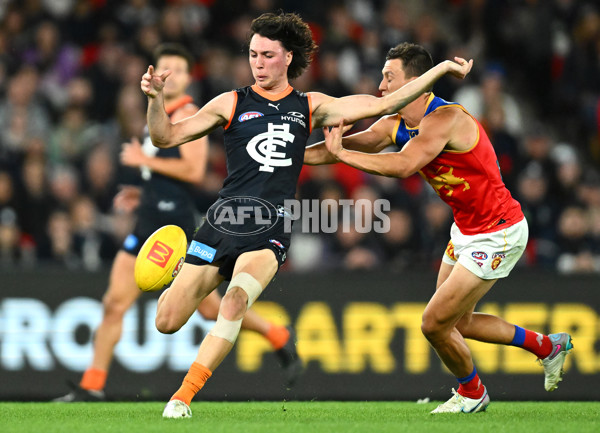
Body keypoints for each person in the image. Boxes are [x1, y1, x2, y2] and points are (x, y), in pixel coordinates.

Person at [141, 12, 472, 418]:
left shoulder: (310, 106)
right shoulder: (230, 102)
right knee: (166, 321)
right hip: (221, 222)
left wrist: (439, 68)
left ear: (288, 58)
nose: (257, 63)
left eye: (266, 55)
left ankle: (181, 398)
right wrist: (156, 101)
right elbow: (164, 136)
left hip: (269, 229)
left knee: (235, 300)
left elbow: (385, 103)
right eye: (252, 55)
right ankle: (180, 269)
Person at [307, 42, 573, 413]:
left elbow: (403, 165)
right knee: (456, 323)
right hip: (465, 230)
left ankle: (472, 393)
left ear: (415, 82)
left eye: (389, 78)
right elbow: (338, 144)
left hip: (500, 230)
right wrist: (286, 158)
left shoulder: (447, 119)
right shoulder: (395, 122)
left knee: (433, 323)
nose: (381, 88)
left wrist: (343, 156)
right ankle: (548, 347)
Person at [54, 43, 301, 402]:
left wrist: (145, 160)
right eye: (163, 64)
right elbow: (164, 169)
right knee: (113, 302)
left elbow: (193, 170)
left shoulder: (189, 111)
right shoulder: (157, 111)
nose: (167, 72)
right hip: (148, 219)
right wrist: (143, 193)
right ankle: (93, 384)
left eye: (177, 68)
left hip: (176, 225)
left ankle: (276, 334)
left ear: (185, 78)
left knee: (208, 306)